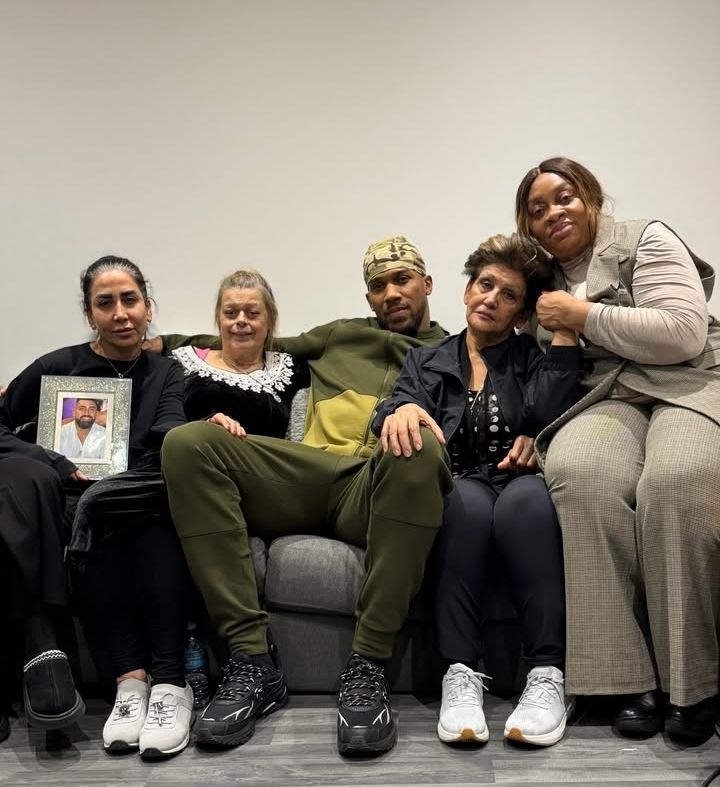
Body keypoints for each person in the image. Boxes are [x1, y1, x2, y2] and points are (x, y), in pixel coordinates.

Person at [159, 236, 455, 755]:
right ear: (368, 298)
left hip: (376, 486)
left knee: (420, 447)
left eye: (402, 280)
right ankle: (252, 662)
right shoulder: (339, 336)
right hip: (310, 473)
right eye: (378, 286)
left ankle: (368, 666)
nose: (391, 293)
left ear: (427, 284)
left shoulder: (451, 351)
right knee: (188, 442)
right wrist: (151, 340)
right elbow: (252, 336)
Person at [514, 157, 720, 744]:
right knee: (580, 470)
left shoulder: (645, 238)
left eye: (564, 197)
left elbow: (682, 332)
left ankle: (693, 683)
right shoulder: (542, 284)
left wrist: (579, 315)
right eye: (537, 209)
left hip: (687, 382)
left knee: (677, 480)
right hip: (606, 397)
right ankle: (625, 680)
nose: (553, 212)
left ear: (593, 200)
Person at [373, 234, 583, 747]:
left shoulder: (531, 354)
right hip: (461, 483)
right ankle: (461, 673)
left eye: (509, 295)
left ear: (520, 312)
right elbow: (391, 407)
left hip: (518, 482)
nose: (491, 298)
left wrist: (560, 335)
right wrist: (397, 410)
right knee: (460, 505)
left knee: (529, 505)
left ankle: (547, 676)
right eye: (485, 285)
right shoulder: (427, 361)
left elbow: (552, 408)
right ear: (467, 291)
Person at [0, 256, 193, 759]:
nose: (120, 313)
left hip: (146, 488)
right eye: (105, 303)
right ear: (90, 315)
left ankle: (171, 685)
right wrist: (55, 461)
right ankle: (129, 684)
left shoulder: (168, 372)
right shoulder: (55, 368)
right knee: (91, 519)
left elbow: (170, 429)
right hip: (80, 500)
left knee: (148, 517)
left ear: (148, 308)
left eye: (130, 300)